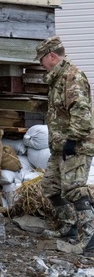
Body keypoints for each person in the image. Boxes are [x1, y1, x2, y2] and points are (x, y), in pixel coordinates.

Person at [36, 35, 94, 254]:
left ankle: (89, 238)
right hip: (61, 145)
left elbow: (82, 112)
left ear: (52, 56)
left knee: (74, 189)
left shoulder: (72, 77)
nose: (40, 64)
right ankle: (68, 226)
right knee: (50, 187)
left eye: (41, 59)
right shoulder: (57, 79)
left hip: (76, 145)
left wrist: (72, 140)